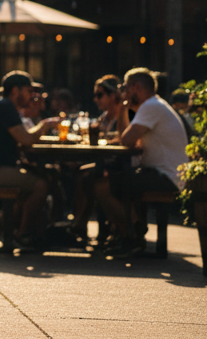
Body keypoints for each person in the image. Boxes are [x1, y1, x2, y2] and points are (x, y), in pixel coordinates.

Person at [95, 68, 189, 256]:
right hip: (165, 173)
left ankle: (131, 236)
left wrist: (123, 108)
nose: (123, 93)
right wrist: (123, 108)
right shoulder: (154, 105)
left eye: (125, 88)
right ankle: (129, 232)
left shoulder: (150, 106)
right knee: (108, 179)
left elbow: (126, 140)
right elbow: (126, 137)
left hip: (166, 176)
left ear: (136, 87)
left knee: (102, 186)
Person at [0, 71, 59, 248]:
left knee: (41, 178)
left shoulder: (4, 106)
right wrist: (45, 125)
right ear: (16, 90)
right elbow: (26, 139)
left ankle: (4, 220)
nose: (32, 95)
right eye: (29, 91)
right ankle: (23, 234)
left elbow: (22, 138)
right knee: (41, 185)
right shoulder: (6, 107)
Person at [70, 75, 126, 240]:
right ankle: (82, 223)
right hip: (107, 162)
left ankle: (114, 229)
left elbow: (124, 139)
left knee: (89, 178)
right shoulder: (104, 118)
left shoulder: (124, 115)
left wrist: (106, 141)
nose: (96, 100)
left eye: (99, 95)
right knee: (81, 173)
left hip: (122, 164)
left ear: (113, 95)